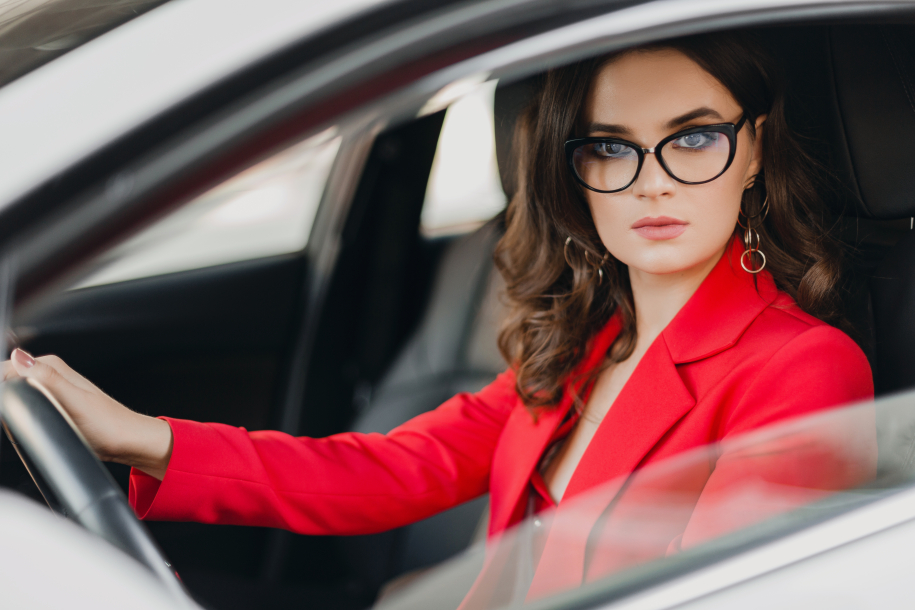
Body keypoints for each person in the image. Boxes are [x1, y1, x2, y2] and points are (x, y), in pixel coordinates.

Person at [2, 32, 874, 601]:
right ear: (573, 173)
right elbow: (388, 472)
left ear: (751, 149)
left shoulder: (801, 366)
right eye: (610, 146)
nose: (650, 178)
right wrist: (136, 436)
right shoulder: (585, 346)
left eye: (691, 137)